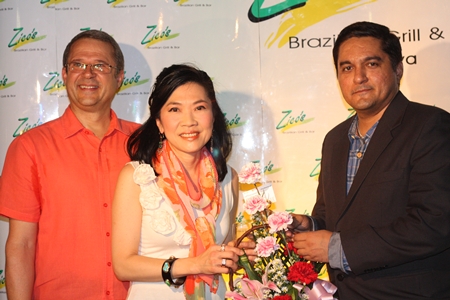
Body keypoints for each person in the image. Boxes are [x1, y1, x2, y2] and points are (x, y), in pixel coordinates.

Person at [291, 21, 450, 299]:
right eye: (347, 67)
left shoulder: (430, 125)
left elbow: (435, 222)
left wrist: (338, 248)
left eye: (372, 64)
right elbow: (333, 216)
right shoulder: (335, 139)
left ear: (397, 69)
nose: (359, 77)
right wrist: (311, 226)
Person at [0, 30, 140, 299]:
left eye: (100, 65)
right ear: (65, 74)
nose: (88, 73)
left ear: (119, 77)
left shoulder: (144, 144)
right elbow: (21, 244)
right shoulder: (30, 147)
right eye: (78, 64)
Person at [112, 64, 253, 300]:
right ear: (159, 122)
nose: (189, 121)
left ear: (213, 114)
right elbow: (123, 265)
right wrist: (195, 264)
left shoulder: (229, 178)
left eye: (199, 107)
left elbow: (223, 259)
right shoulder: (137, 177)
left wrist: (240, 255)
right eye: (175, 109)